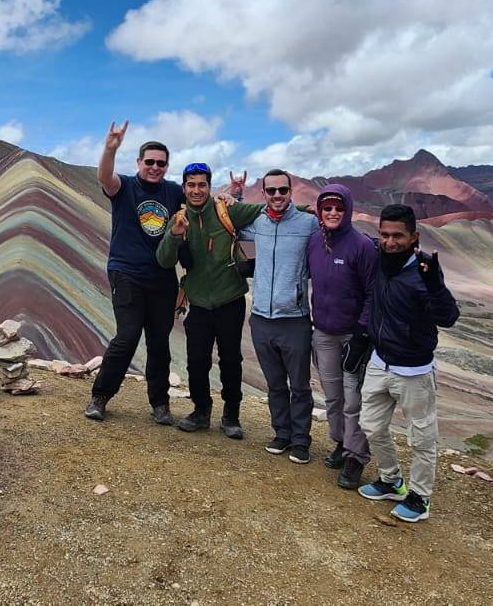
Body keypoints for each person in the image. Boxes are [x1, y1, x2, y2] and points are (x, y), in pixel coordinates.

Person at [357, 204, 459, 523]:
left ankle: (420, 497)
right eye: (384, 235)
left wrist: (436, 288)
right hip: (379, 362)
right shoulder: (381, 261)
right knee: (371, 425)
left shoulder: (424, 274)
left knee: (422, 437)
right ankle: (391, 481)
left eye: (398, 236)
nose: (390, 242)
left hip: (414, 370)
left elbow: (448, 317)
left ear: (414, 236)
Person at [85, 121, 185, 425]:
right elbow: (104, 177)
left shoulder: (173, 191)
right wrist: (109, 149)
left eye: (161, 163)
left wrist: (230, 195)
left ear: (167, 166)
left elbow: (198, 202)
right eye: (149, 162)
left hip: (162, 277)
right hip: (126, 273)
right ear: (139, 162)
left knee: (158, 341)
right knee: (127, 336)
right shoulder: (125, 186)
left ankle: (160, 404)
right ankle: (100, 396)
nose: (155, 167)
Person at [156, 163, 264, 438]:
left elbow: (267, 209)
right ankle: (201, 411)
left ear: (209, 187)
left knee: (230, 359)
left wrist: (314, 211)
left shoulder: (226, 211)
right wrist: (175, 235)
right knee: (197, 360)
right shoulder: (179, 220)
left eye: (201, 185)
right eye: (191, 185)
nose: (196, 190)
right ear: (184, 188)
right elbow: (164, 260)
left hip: (230, 299)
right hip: (198, 302)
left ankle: (231, 416)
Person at [232, 169, 317, 463]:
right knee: (276, 383)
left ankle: (301, 440)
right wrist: (238, 195)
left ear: (291, 191)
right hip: (261, 319)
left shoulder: (309, 224)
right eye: (271, 191)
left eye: (283, 190)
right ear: (264, 194)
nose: (277, 196)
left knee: (300, 385)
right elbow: (229, 222)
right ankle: (282, 434)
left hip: (294, 318)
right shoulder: (256, 222)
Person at [305, 184, 378, 489]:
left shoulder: (362, 246)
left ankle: (357, 456)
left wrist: (361, 336)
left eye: (338, 208)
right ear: (320, 211)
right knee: (333, 398)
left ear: (347, 210)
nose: (332, 213)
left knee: (353, 400)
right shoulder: (314, 242)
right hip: (323, 333)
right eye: (327, 208)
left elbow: (374, 293)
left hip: (352, 337)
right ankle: (340, 442)